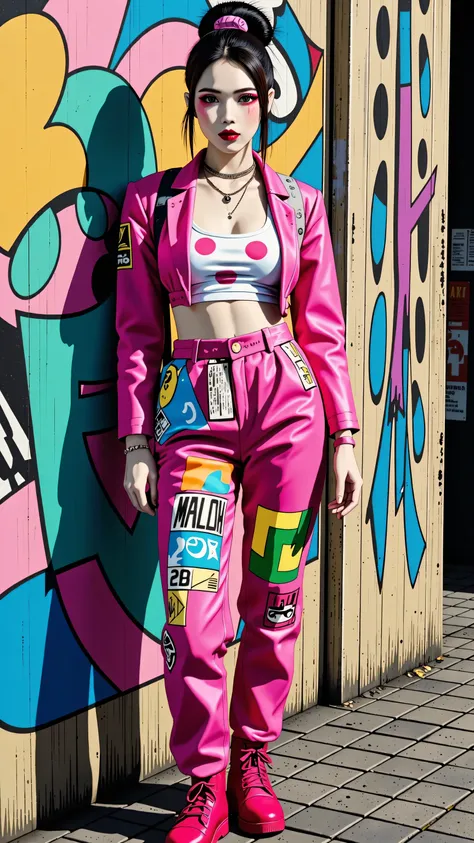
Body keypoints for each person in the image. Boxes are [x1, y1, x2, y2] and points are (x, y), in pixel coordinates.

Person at [116, 3, 362, 841]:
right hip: (192, 409)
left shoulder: (297, 204)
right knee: (191, 604)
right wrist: (137, 440)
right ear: (192, 105)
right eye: (211, 97)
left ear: (264, 103)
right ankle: (204, 778)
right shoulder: (152, 203)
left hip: (284, 409)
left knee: (277, 595)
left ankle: (254, 760)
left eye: (243, 98)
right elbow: (138, 332)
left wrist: (345, 434)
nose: (227, 115)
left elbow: (321, 324)